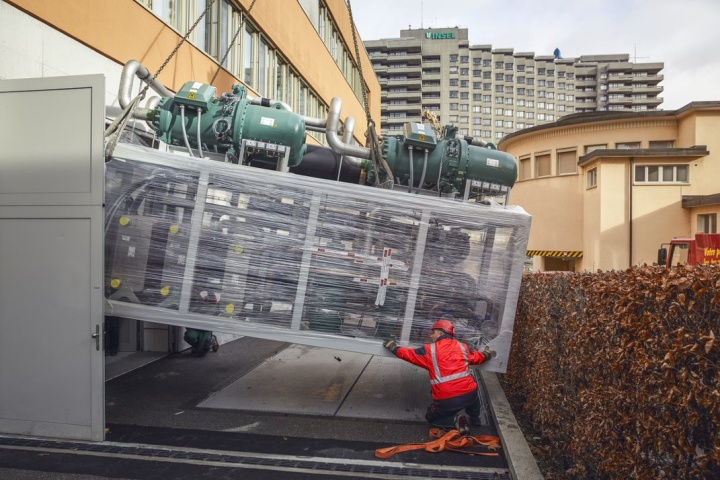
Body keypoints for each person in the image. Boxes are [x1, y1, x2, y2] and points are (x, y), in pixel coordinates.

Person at [383, 318, 496, 434]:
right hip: (469, 394)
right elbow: (478, 357)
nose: (431, 336)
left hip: (448, 399)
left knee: (431, 417)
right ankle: (475, 418)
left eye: (433, 333)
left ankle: (454, 421)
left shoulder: (429, 350)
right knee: (474, 399)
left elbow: (409, 354)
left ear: (441, 333)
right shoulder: (462, 347)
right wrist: (487, 354)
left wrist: (393, 347)